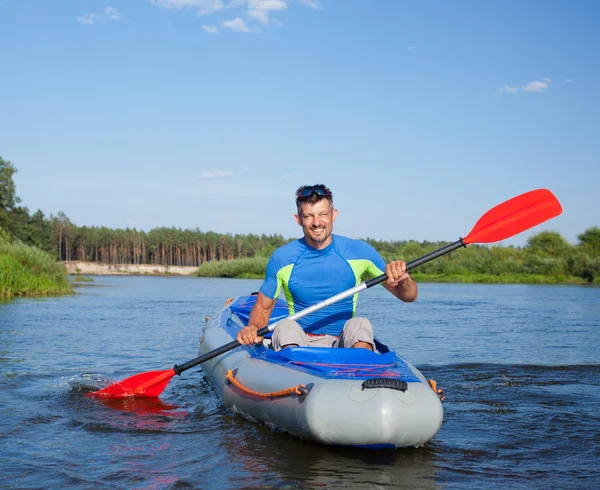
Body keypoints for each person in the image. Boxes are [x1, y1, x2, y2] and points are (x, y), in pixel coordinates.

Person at [236, 184, 418, 351]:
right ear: (298, 219)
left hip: (343, 342)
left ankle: (361, 370)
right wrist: (252, 329)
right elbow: (262, 309)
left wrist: (404, 279)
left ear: (334, 214)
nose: (316, 222)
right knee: (285, 326)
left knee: (360, 324)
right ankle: (297, 372)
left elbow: (408, 296)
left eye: (322, 214)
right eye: (308, 216)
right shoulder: (283, 258)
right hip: (300, 341)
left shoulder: (359, 251)